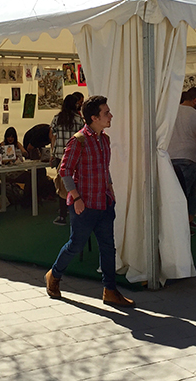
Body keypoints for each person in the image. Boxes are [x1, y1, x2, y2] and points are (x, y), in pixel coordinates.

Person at [45, 96, 134, 307]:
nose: (110, 116)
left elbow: (104, 167)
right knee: (76, 245)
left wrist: (110, 187)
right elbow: (65, 171)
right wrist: (76, 198)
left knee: (108, 247)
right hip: (84, 204)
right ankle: (54, 276)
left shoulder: (104, 139)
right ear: (94, 118)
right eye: (106, 113)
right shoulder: (79, 140)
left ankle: (110, 290)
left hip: (104, 202)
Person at [168, 87, 196, 229]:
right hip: (188, 158)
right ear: (195, 100)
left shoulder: (170, 112)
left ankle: (174, 226)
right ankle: (185, 224)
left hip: (168, 158)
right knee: (188, 194)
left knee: (172, 194)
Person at [50, 95, 85, 226]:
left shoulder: (57, 118)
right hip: (75, 155)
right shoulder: (79, 119)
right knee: (74, 184)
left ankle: (62, 215)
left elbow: (52, 136)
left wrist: (52, 154)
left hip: (60, 155)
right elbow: (83, 137)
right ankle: (77, 211)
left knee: (61, 186)